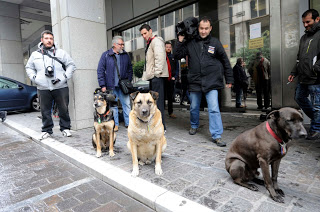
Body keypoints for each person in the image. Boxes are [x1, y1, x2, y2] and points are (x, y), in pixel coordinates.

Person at [174, 16, 234, 147]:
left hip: (211, 81)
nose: (203, 31)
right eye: (201, 28)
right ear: (198, 28)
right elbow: (177, 55)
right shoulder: (190, 43)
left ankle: (217, 135)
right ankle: (194, 126)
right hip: (195, 81)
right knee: (194, 107)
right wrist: (180, 39)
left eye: (206, 29)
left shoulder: (215, 43)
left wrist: (229, 78)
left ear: (210, 28)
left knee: (213, 109)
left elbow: (225, 61)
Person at [26, 30, 76, 139]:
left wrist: (63, 78)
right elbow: (29, 67)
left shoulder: (61, 53)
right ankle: (47, 130)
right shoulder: (35, 55)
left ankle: (65, 128)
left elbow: (71, 65)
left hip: (60, 86)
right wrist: (35, 78)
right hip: (43, 87)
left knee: (64, 108)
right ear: (42, 40)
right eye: (46, 38)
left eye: (51, 38)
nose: (49, 40)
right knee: (45, 110)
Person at [288, 9, 320, 140]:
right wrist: (293, 72)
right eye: (303, 23)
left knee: (317, 106)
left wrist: (316, 67)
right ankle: (317, 121)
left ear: (317, 19)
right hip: (303, 77)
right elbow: (299, 58)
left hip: (316, 77)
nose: (305, 25)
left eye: (308, 22)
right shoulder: (304, 37)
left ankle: (316, 129)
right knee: (299, 97)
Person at [97, 36, 133, 131]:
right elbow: (100, 70)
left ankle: (128, 123)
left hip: (123, 86)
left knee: (127, 105)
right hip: (111, 86)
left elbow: (130, 69)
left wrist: (128, 81)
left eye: (123, 44)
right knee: (113, 106)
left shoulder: (125, 55)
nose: (122, 46)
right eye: (120, 44)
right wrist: (103, 85)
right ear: (114, 44)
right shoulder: (106, 55)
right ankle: (115, 125)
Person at [140, 24, 169, 130]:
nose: (143, 36)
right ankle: (156, 126)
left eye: (145, 33)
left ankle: (161, 127)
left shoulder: (156, 41)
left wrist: (156, 73)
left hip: (157, 77)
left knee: (158, 103)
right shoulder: (151, 42)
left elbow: (160, 58)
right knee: (154, 103)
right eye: (142, 34)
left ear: (150, 31)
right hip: (154, 77)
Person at [165, 41, 179, 118]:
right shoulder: (163, 56)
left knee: (170, 97)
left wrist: (175, 76)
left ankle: (170, 112)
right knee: (162, 96)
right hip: (164, 79)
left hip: (171, 79)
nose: (168, 48)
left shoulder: (173, 57)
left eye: (169, 47)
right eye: (167, 47)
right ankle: (161, 113)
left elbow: (177, 67)